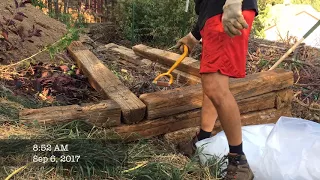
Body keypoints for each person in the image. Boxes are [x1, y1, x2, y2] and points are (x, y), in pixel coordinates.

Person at [175, 0, 258, 179]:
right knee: (211, 84)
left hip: (226, 10)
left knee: (215, 87)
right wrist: (194, 35)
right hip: (216, 13)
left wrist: (234, 2)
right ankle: (203, 141)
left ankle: (239, 163)